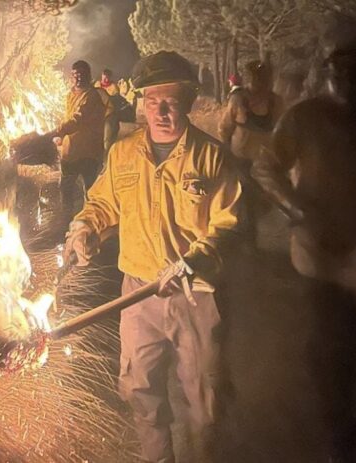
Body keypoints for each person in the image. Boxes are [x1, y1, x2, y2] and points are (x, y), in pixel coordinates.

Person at [64, 51, 245, 463]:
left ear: (189, 100)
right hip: (138, 296)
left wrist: (193, 261)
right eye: (152, 101)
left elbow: (229, 223)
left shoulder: (211, 156)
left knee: (204, 402)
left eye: (171, 101)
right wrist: (85, 228)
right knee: (141, 394)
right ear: (140, 102)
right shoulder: (123, 153)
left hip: (194, 296)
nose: (161, 111)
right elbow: (102, 202)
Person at [252, 37, 356, 462]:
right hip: (323, 258)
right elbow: (267, 165)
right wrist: (296, 208)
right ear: (329, 71)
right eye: (342, 70)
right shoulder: (306, 117)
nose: (350, 79)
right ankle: (337, 434)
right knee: (331, 348)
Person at [50, 60, 106, 218]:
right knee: (66, 189)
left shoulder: (92, 96)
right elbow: (68, 118)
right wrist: (61, 138)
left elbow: (78, 119)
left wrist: (57, 131)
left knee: (90, 191)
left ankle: (90, 225)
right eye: (76, 75)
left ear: (88, 76)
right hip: (70, 152)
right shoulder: (70, 95)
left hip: (89, 152)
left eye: (82, 74)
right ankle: (65, 222)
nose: (79, 78)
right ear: (71, 76)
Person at [218, 61, 284, 164]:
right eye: (256, 77)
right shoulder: (238, 99)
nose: (257, 81)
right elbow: (225, 128)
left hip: (266, 162)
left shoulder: (276, 101)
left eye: (261, 78)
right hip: (242, 159)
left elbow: (281, 131)